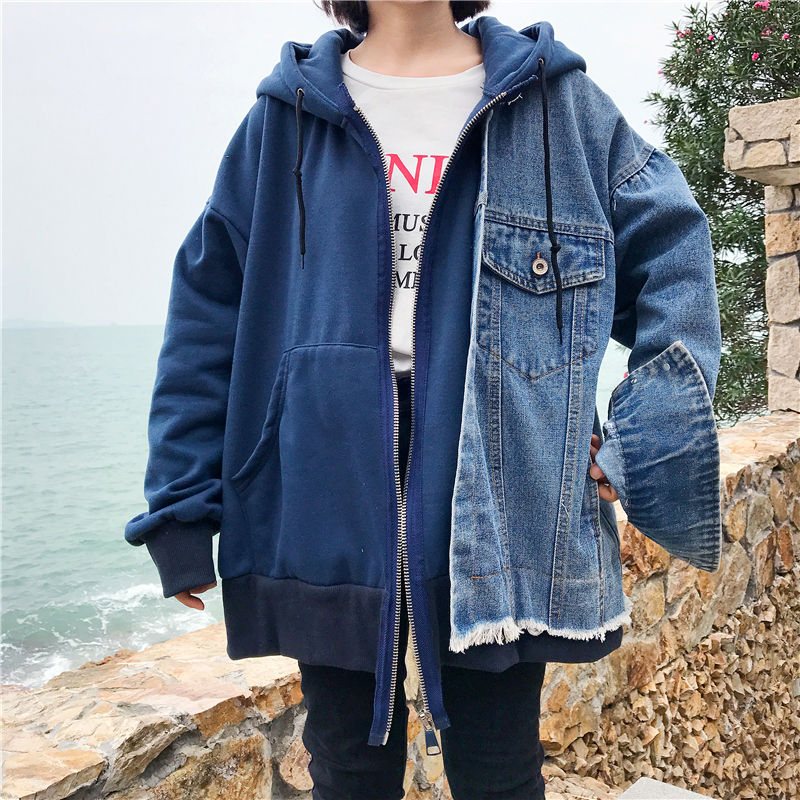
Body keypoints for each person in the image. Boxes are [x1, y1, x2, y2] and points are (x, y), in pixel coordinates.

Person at [124, 1, 723, 797]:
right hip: (324, 486)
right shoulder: (284, 117)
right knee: (346, 766)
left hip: (502, 489)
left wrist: (640, 441)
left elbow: (674, 248)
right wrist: (180, 508)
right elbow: (207, 310)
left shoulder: (556, 104)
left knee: (499, 769)